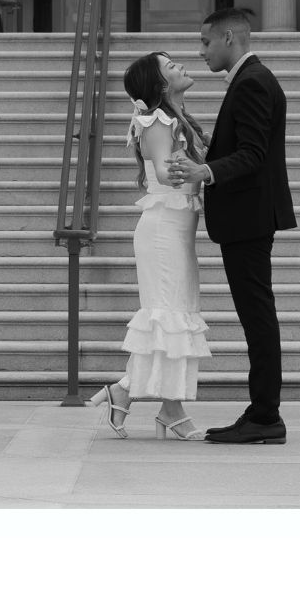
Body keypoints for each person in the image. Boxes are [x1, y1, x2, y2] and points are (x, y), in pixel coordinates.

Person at [167, 5, 296, 444]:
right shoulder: (252, 79)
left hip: (248, 219)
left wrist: (207, 171)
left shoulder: (253, 83)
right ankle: (262, 412)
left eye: (205, 42)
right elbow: (244, 144)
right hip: (248, 217)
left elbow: (255, 154)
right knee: (256, 314)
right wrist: (211, 143)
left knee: (257, 316)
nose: (200, 52)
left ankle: (265, 416)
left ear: (228, 39)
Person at [86, 53, 211, 441]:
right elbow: (160, 169)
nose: (181, 66)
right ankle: (170, 409)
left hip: (175, 229)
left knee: (175, 315)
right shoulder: (157, 120)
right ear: (159, 84)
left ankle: (124, 392)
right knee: (167, 317)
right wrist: (183, 170)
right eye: (170, 65)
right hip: (162, 232)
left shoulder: (177, 119)